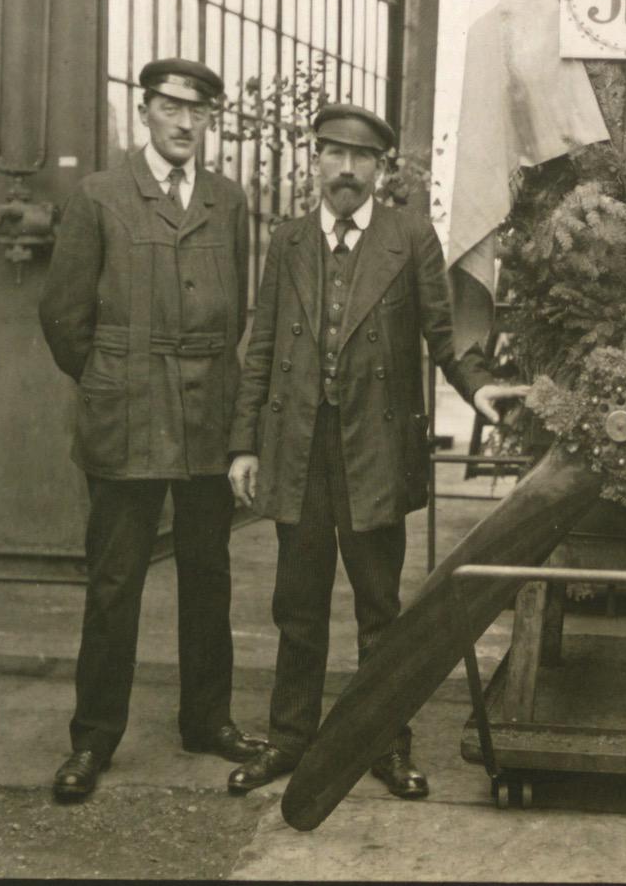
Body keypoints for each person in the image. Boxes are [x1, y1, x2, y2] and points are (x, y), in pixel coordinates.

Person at [223, 103, 527, 798]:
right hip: (299, 447)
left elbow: (444, 336)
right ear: (316, 161)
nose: (347, 170)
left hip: (375, 449)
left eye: (361, 158)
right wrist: (244, 445)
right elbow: (262, 348)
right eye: (334, 154)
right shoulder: (288, 241)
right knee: (297, 605)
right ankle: (290, 739)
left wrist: (478, 387)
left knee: (379, 608)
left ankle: (386, 744)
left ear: (381, 170)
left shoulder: (409, 237)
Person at [38, 57, 269, 803]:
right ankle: (93, 738)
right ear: (144, 111)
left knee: (208, 576)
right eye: (171, 107)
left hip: (206, 417)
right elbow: (63, 318)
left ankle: (206, 720)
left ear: (209, 120)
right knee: (115, 584)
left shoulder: (228, 201)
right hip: (127, 413)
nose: (184, 123)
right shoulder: (99, 196)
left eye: (198, 111)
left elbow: (234, 313)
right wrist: (114, 376)